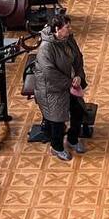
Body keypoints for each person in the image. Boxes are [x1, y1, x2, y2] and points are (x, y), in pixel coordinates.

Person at [33, 14, 89, 161]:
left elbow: (78, 58)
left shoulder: (68, 39)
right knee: (57, 120)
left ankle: (72, 139)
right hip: (51, 89)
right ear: (57, 29)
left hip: (67, 83)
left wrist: (79, 76)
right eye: (67, 27)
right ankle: (57, 147)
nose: (70, 29)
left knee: (78, 111)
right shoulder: (46, 48)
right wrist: (70, 83)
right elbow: (49, 72)